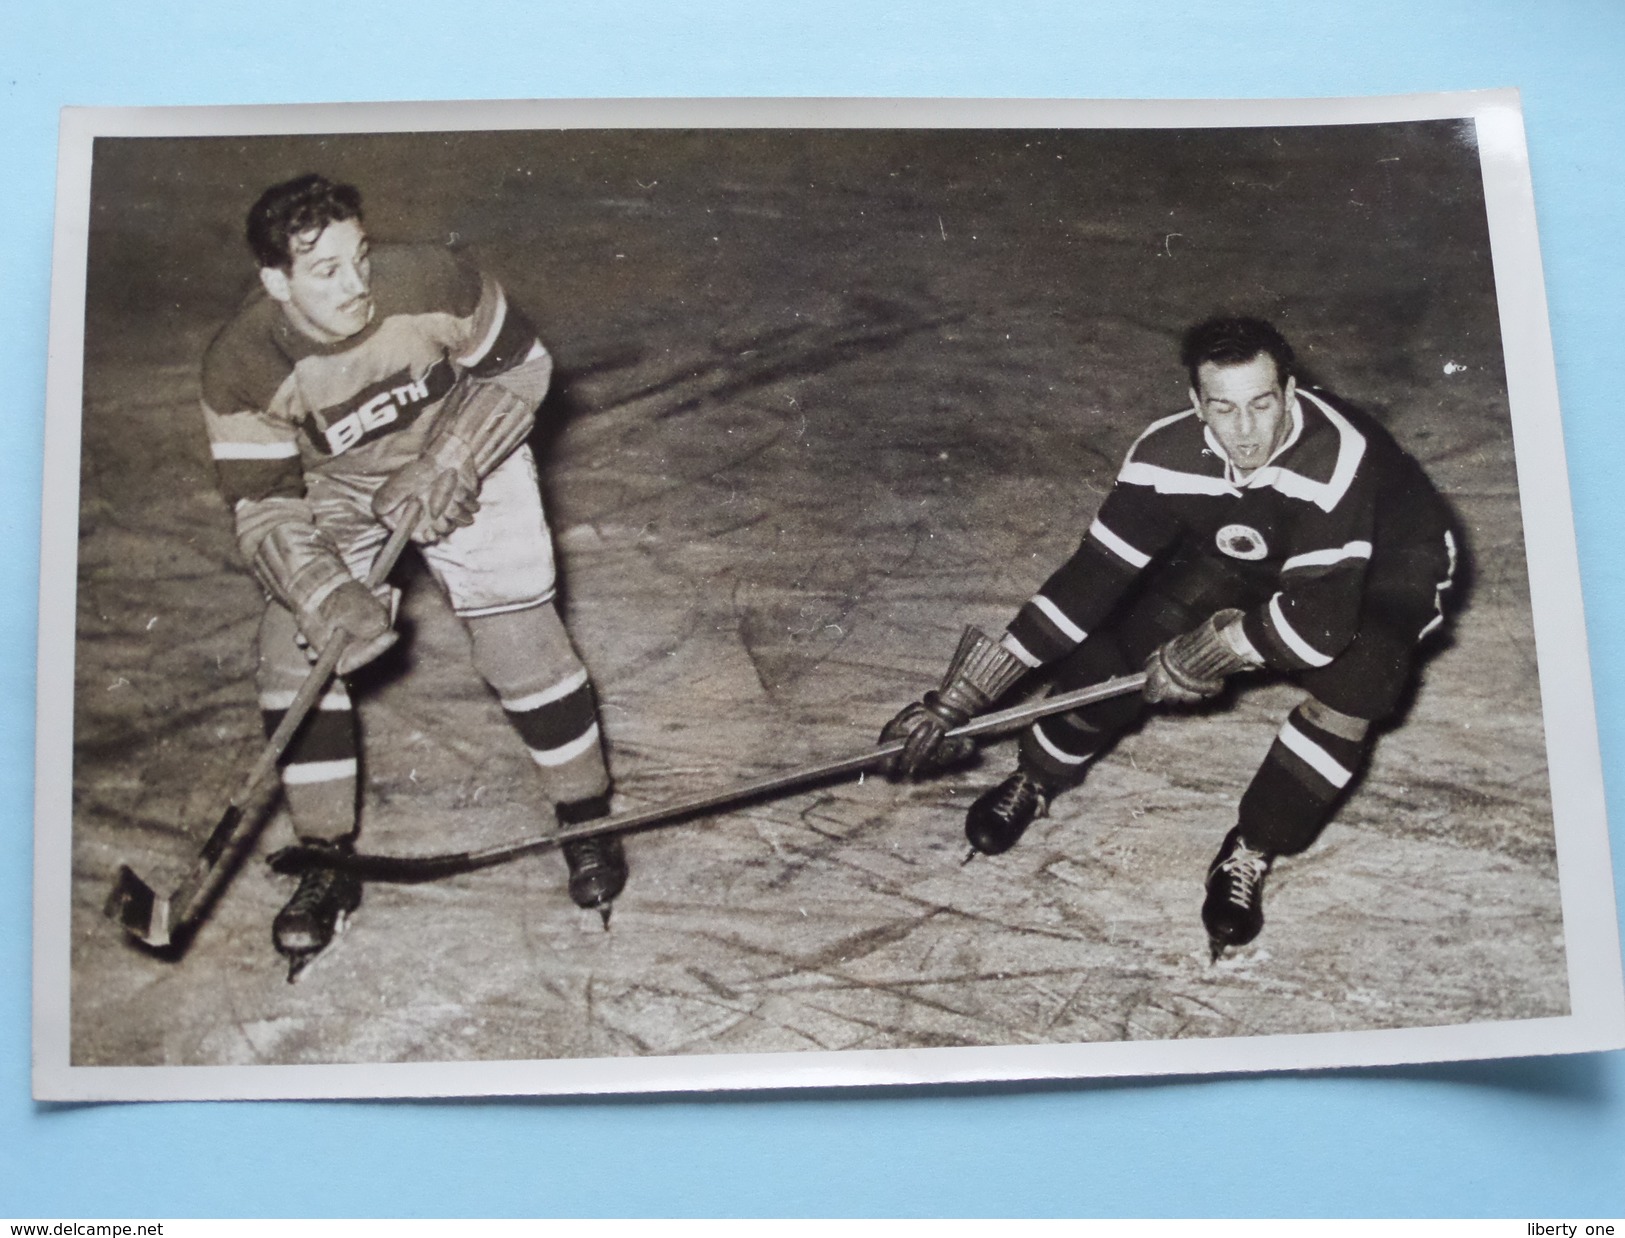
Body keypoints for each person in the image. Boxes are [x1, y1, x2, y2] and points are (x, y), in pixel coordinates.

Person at [882, 317, 1458, 960]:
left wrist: (1202, 655)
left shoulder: (1337, 460)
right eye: (1223, 408)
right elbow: (1089, 581)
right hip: (1261, 550)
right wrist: (966, 696)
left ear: (1291, 394)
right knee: (1117, 645)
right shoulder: (1165, 453)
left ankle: (1254, 845)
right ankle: (1038, 777)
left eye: (1262, 404)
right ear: (1196, 405)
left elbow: (1316, 627)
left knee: (1360, 678)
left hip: (1387, 569)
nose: (1244, 431)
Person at [200, 173, 625, 978]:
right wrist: (323, 591)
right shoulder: (241, 365)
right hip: (338, 489)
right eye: (325, 271)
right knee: (296, 659)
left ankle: (585, 818)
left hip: (465, 451)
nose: (356, 284)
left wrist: (451, 459)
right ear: (274, 282)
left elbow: (521, 367)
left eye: (359, 256)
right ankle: (326, 855)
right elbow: (263, 503)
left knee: (516, 636)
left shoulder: (432, 279)